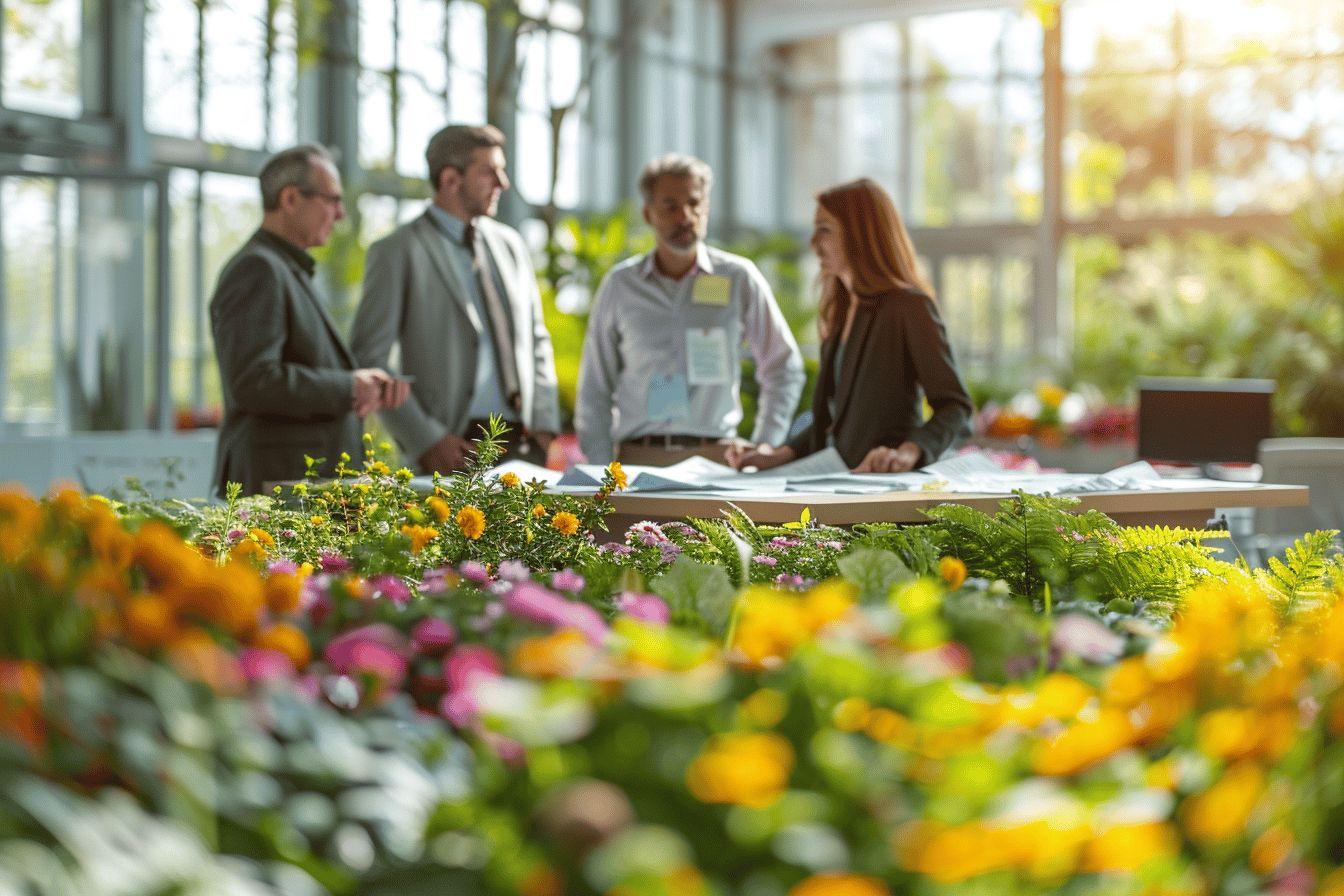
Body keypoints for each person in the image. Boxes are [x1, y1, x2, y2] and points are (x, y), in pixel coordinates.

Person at [351, 124, 560, 474]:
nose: (503, 183)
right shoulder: (396, 251)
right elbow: (370, 359)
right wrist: (427, 440)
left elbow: (537, 339)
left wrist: (545, 427)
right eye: (489, 172)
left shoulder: (511, 245)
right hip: (450, 446)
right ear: (450, 179)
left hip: (525, 444)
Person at [728, 178, 971, 473]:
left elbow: (955, 407)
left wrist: (910, 451)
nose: (813, 243)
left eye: (825, 230)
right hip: (840, 478)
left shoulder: (908, 307)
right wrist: (782, 453)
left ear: (860, 235)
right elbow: (835, 419)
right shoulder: (840, 310)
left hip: (881, 485)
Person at [575, 153, 804, 465]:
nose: (685, 216)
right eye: (670, 205)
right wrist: (602, 471)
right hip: (637, 460)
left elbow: (784, 365)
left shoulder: (738, 278)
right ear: (648, 213)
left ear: (706, 208)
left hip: (715, 461)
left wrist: (765, 444)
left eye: (694, 204)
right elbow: (594, 387)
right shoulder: (621, 286)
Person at [210, 143, 409, 497]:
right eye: (331, 199)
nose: (341, 214)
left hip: (293, 484)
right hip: (278, 487)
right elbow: (254, 381)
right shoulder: (259, 269)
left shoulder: (285, 269)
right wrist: (348, 386)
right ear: (290, 199)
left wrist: (357, 387)